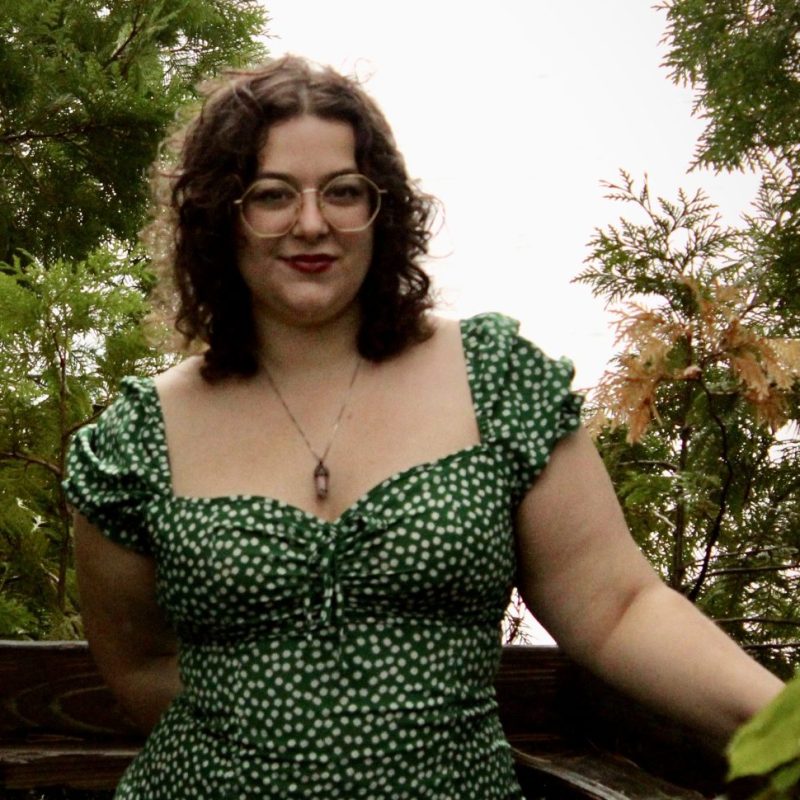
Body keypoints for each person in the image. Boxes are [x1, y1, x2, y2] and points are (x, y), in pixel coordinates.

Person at [63, 55, 783, 800]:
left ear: (384, 210)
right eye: (271, 195)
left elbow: (618, 608)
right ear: (220, 216)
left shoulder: (495, 381)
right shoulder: (137, 440)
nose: (311, 223)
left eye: (344, 191)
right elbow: (140, 669)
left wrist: (785, 729)